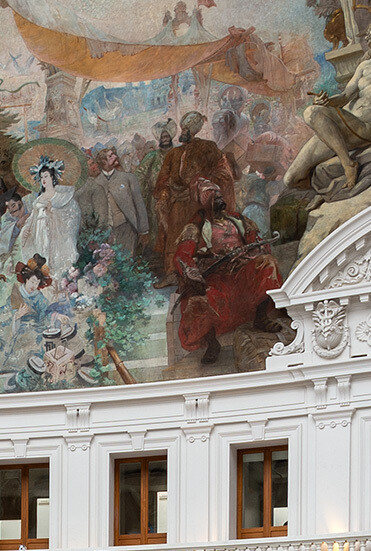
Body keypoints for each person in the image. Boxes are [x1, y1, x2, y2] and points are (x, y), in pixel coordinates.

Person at [284, 20, 371, 190]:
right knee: (290, 179)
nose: (367, 35)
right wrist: (328, 101)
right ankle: (327, 188)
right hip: (342, 127)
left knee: (311, 113)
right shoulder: (365, 65)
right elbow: (345, 95)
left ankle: (347, 163)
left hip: (365, 127)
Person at [172, 176, 284, 365]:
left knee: (268, 263)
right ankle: (211, 342)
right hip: (215, 278)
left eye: (219, 195)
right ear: (206, 201)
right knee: (198, 301)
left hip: (241, 273)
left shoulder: (238, 220)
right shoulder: (195, 227)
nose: (220, 199)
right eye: (214, 196)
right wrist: (192, 272)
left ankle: (260, 317)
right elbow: (182, 255)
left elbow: (257, 242)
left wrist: (256, 250)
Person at [153, 111, 236, 262]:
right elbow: (164, 178)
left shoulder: (208, 148)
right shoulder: (173, 153)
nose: (183, 132)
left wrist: (200, 185)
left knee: (197, 238)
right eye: (183, 129)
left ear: (194, 131)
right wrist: (164, 194)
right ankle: (172, 273)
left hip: (198, 203)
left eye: (187, 130)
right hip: (176, 204)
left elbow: (223, 172)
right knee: (174, 236)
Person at [23, 157, 82, 279]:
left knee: (53, 256)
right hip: (40, 231)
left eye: (46, 176)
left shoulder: (62, 197)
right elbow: (33, 218)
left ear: (52, 177)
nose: (43, 180)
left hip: (55, 232)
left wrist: (53, 212)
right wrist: (27, 230)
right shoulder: (39, 199)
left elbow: (71, 216)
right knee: (41, 253)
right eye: (41, 177)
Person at [90, 146, 149, 254]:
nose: (115, 156)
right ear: (103, 161)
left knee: (127, 261)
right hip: (106, 232)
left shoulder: (128, 178)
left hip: (127, 227)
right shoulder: (96, 182)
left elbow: (139, 204)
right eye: (110, 156)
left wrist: (144, 230)